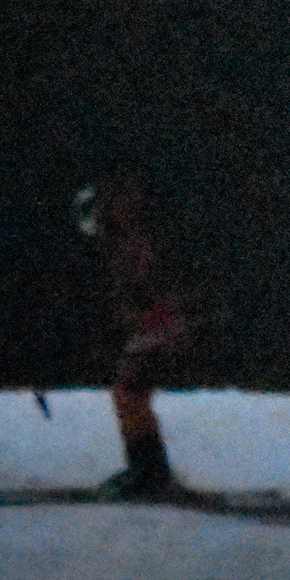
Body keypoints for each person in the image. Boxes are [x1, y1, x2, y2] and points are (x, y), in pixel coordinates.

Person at [74, 173, 189, 498]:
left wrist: (159, 320)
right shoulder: (127, 241)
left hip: (159, 320)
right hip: (155, 320)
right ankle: (149, 469)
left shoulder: (136, 243)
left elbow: (149, 284)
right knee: (129, 391)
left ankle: (149, 472)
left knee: (130, 390)